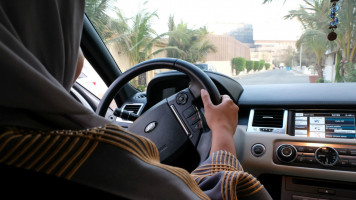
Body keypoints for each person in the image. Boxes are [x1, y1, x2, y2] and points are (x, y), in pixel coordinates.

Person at [0, 1, 271, 199]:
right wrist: (222, 132)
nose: (78, 56)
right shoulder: (82, 154)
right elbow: (213, 195)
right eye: (72, 37)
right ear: (43, 40)